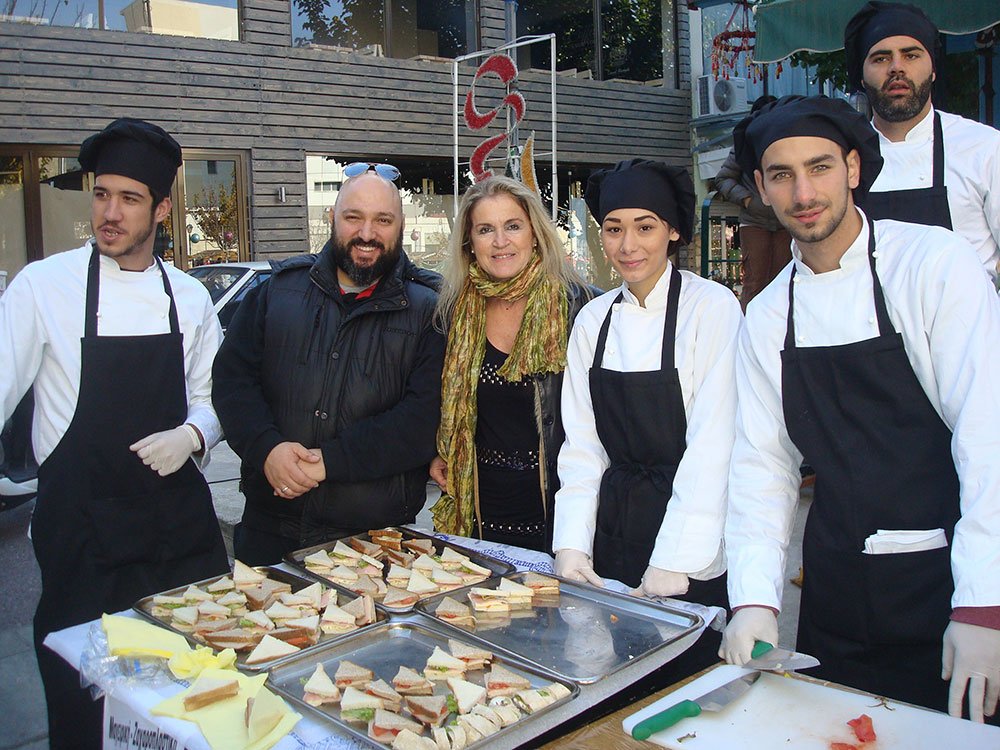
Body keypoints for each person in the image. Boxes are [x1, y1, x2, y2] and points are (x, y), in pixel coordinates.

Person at [721, 95, 1000, 722]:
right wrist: (755, 601)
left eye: (819, 167)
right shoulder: (768, 317)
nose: (803, 192)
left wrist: (986, 605)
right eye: (782, 175)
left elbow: (990, 435)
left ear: (852, 168)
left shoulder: (933, 266)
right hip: (836, 594)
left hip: (947, 587)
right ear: (762, 189)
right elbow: (763, 467)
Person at [0, 118, 229, 748]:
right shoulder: (43, 288)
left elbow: (215, 402)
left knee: (190, 704)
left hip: (177, 539)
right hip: (85, 543)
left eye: (129, 199)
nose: (109, 212)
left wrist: (192, 436)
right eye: (101, 195)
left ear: (159, 209)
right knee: (85, 713)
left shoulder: (188, 298)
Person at [554, 159, 741, 674]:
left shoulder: (713, 307)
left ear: (673, 231)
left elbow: (714, 444)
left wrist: (674, 561)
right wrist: (571, 545)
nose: (627, 245)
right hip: (612, 530)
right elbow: (583, 445)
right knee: (609, 682)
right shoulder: (592, 319)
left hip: (690, 536)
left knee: (688, 690)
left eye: (645, 226)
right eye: (613, 229)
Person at [212, 163, 445, 564]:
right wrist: (266, 449)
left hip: (376, 544)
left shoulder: (430, 310)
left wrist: (329, 462)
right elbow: (233, 382)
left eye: (382, 220)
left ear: (401, 225)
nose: (367, 234)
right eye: (353, 217)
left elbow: (422, 418)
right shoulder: (277, 293)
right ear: (331, 218)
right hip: (269, 532)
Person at [428, 176, 595, 551]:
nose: (500, 241)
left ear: (534, 233)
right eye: (486, 229)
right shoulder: (455, 311)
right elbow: (437, 399)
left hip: (560, 509)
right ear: (470, 243)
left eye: (513, 226)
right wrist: (438, 450)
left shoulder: (580, 307)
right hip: (478, 511)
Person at [845, 1, 1000, 285]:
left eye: (911, 55)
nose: (896, 68)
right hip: (877, 328)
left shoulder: (986, 148)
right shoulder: (844, 161)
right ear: (862, 77)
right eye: (880, 58)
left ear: (933, 70)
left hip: (967, 325)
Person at [713, 94, 792, 310]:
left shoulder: (789, 145)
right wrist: (748, 200)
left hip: (786, 222)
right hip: (754, 222)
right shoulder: (744, 146)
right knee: (754, 283)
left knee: (783, 283)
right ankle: (748, 334)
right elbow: (722, 179)